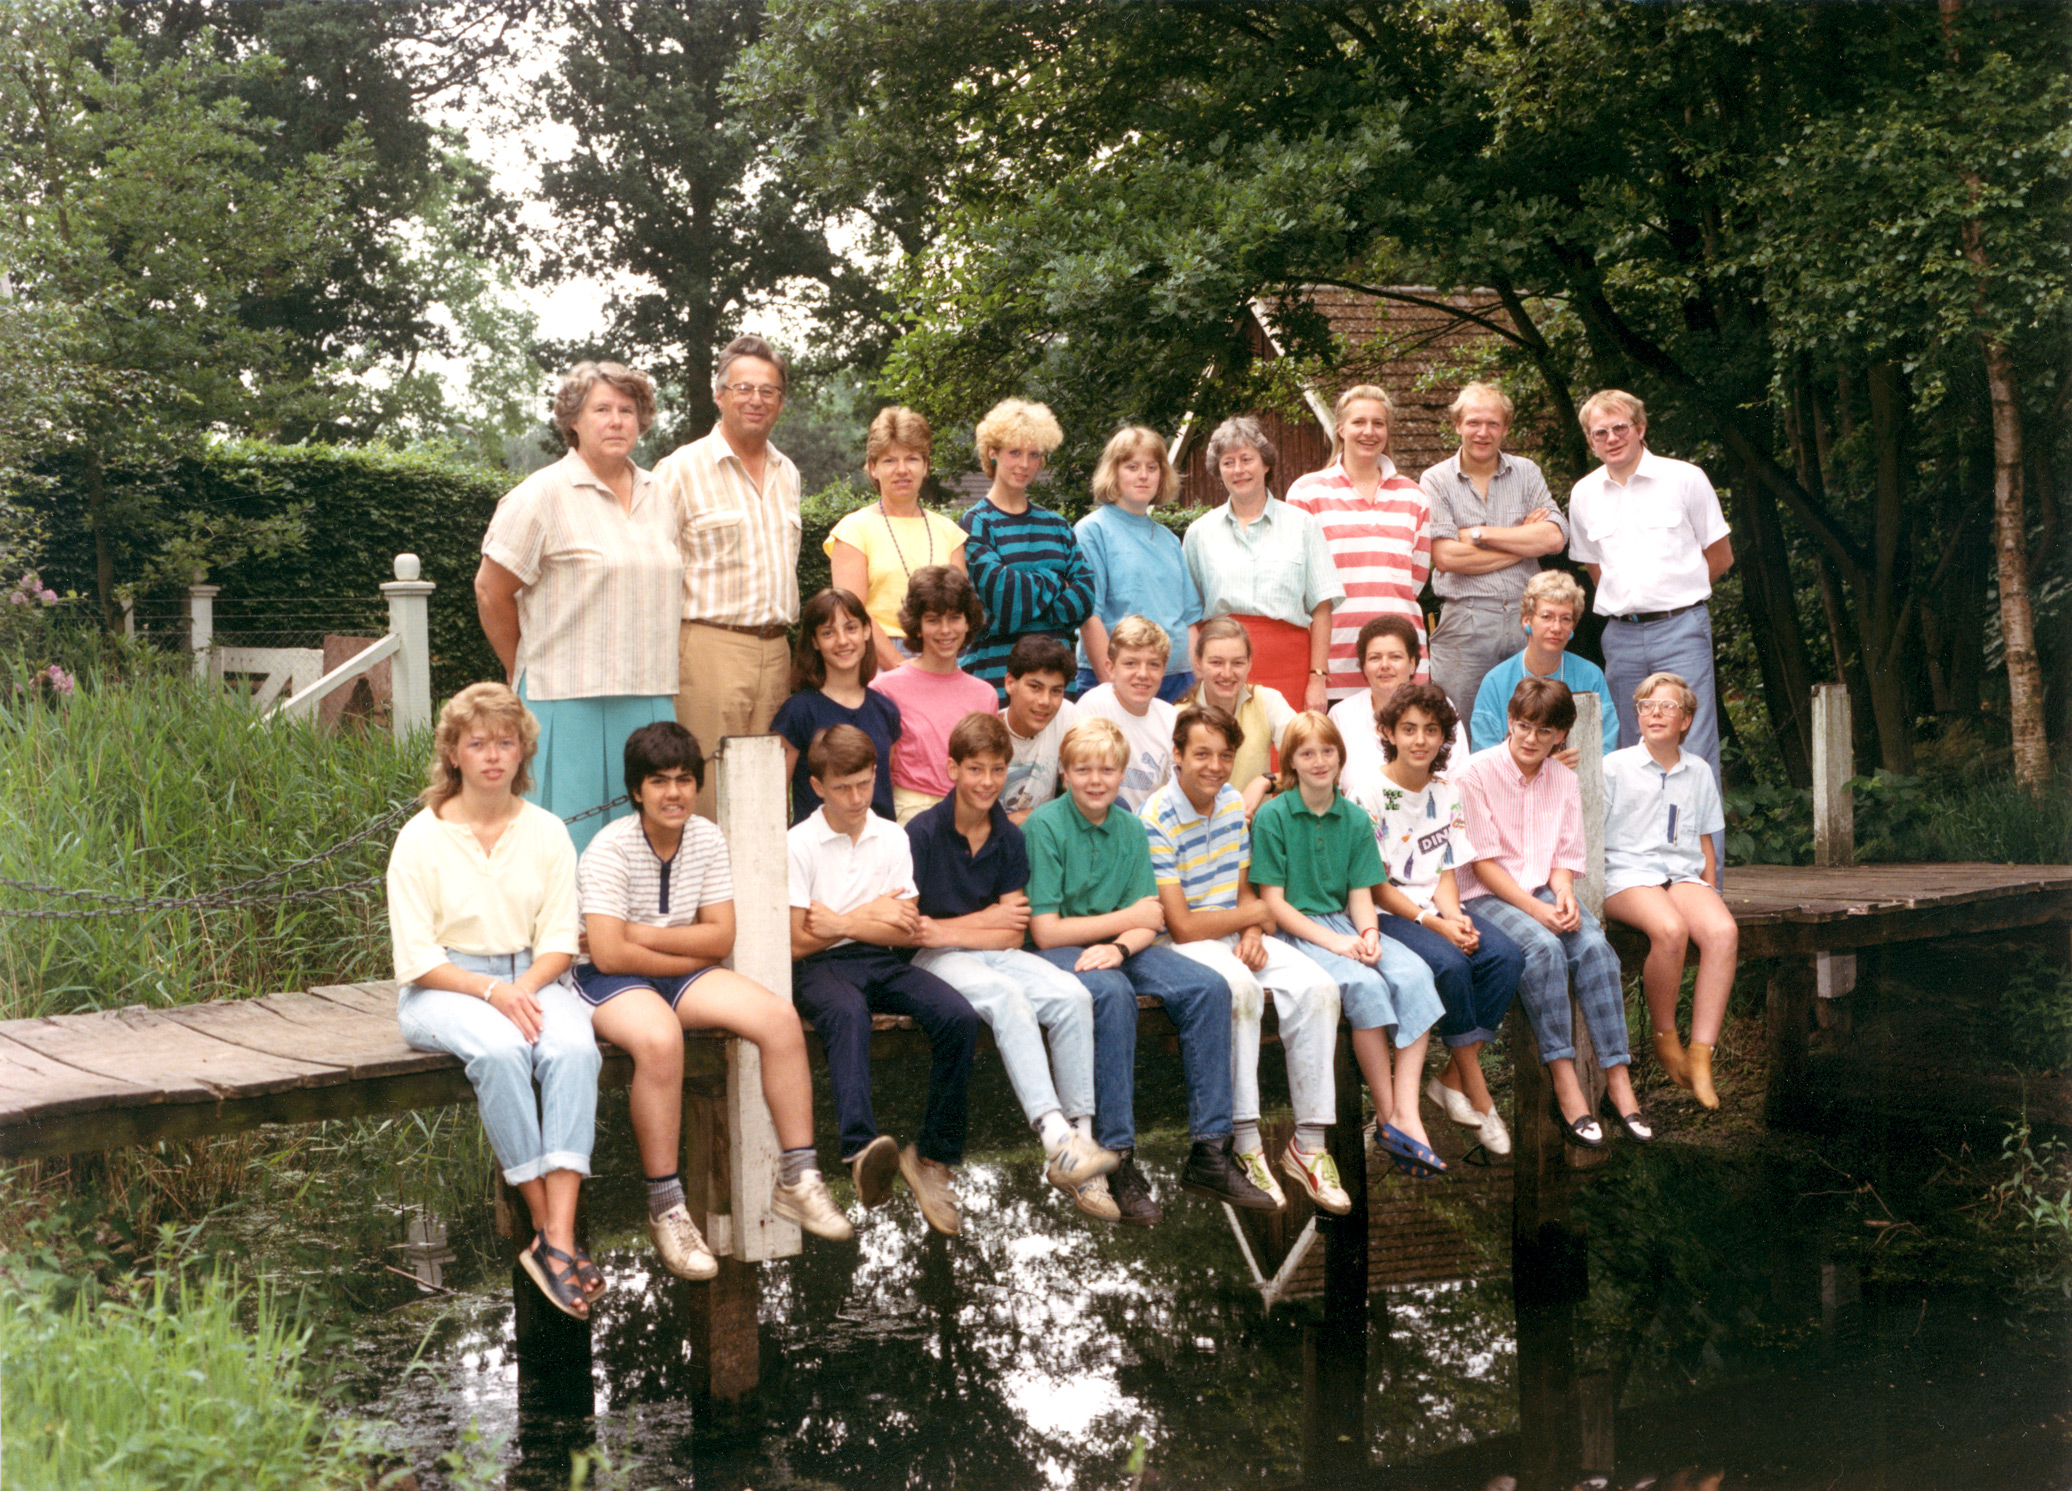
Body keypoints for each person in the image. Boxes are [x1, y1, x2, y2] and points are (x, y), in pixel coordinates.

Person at [575, 722, 852, 1281]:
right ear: (636, 791)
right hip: (606, 980)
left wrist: (644, 935)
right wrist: (669, 948)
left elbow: (720, 938)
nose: (673, 793)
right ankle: (666, 1207)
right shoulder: (609, 848)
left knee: (777, 1017)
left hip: (676, 969)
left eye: (684, 780)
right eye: (658, 782)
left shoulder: (705, 837)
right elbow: (605, 954)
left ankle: (797, 1176)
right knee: (659, 1038)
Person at [386, 683, 598, 1318]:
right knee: (503, 1052)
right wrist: (492, 992)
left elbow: (561, 940)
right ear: (453, 752)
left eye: (506, 742)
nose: (493, 756)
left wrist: (522, 988)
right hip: (444, 989)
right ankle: (550, 1231)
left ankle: (554, 1241)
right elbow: (418, 958)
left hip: (534, 980)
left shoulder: (547, 832)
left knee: (573, 1049)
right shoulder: (419, 839)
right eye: (477, 743)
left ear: (522, 750)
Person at [1025, 717, 1275, 1225]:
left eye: (1107, 770)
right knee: (1112, 994)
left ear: (1122, 774)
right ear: (1065, 774)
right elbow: (1048, 931)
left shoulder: (1131, 827)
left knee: (1207, 988)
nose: (1096, 780)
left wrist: (1121, 943)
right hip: (1061, 950)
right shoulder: (1044, 826)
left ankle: (1210, 1150)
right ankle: (1119, 1158)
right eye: (1083, 769)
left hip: (1121, 946)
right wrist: (1123, 932)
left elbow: (1151, 917)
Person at [905, 713, 1121, 1219]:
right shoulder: (920, 834)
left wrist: (955, 924)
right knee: (1008, 999)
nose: (986, 782)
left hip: (994, 950)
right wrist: (972, 924)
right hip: (934, 959)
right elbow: (916, 931)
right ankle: (1054, 1136)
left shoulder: (1008, 835)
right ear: (952, 769)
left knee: (1073, 995)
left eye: (998, 770)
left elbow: (1012, 930)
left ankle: (1081, 1153)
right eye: (975, 769)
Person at [1143, 704, 1350, 1214]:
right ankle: (1246, 1146)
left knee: (1320, 988)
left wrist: (1255, 927)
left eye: (1224, 756)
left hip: (1232, 930)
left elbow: (1241, 894)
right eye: (1201, 754)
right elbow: (1182, 924)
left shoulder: (1234, 804)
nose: (1213, 766)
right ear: (1177, 755)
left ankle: (1309, 1145)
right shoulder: (1155, 815)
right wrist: (1253, 915)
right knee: (1240, 991)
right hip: (1182, 946)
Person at [475, 361, 678, 852]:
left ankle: (631, 932)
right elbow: (490, 589)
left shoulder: (660, 495)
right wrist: (520, 665)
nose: (616, 421)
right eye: (602, 409)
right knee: (566, 845)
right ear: (573, 421)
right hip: (565, 697)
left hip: (648, 692)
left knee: (641, 845)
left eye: (627, 410)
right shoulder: (539, 495)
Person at [787, 725, 981, 1237]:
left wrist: (844, 922)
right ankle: (859, 1150)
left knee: (959, 1017)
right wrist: (870, 913)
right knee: (847, 1014)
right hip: (817, 969)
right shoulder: (797, 844)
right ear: (817, 785)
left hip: (881, 959)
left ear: (875, 776)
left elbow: (905, 924)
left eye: (863, 784)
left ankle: (933, 1155)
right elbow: (795, 942)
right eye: (841, 788)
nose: (854, 799)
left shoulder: (893, 836)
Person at [1250, 711, 1448, 1180]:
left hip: (1345, 922)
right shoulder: (1273, 817)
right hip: (1299, 930)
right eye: (1307, 753)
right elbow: (1274, 905)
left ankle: (1407, 1114)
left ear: (1341, 756)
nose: (1319, 761)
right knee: (1363, 986)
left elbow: (1361, 895)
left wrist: (1370, 935)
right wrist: (1339, 945)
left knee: (1414, 974)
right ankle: (1386, 1114)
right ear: (1292, 763)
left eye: (1327, 751)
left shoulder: (1355, 817)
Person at [1454, 678, 1648, 1146]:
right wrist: (1538, 913)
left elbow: (1564, 855)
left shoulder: (1563, 779)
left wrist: (1562, 894)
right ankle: (1565, 1078)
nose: (1531, 738)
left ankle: (1618, 1078)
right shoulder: (1473, 773)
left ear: (1561, 735)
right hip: (1484, 892)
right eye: (1523, 725)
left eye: (1544, 731)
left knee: (1596, 948)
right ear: (1509, 722)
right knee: (1543, 949)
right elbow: (1481, 861)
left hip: (1542, 885)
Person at [1347, 684, 1525, 1157]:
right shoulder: (1367, 791)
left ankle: (1449, 1081)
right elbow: (1374, 884)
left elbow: (1445, 867)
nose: (1420, 740)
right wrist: (1435, 923)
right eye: (1408, 729)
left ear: (1445, 736)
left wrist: (1455, 917)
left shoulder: (1447, 790)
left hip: (1434, 907)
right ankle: (1478, 1092)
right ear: (1389, 732)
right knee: (1448, 965)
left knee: (1506, 956)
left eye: (1431, 730)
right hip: (1388, 911)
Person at [1567, 389, 1732, 879]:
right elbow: (1597, 570)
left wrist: (1673, 597)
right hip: (1620, 636)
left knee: (1693, 754)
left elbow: (1719, 557)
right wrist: (1632, 607)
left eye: (1620, 428)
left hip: (1681, 628)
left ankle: (1705, 885)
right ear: (1591, 441)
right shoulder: (1583, 494)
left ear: (1640, 427)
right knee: (1628, 759)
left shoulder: (1684, 479)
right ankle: (1640, 879)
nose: (1612, 438)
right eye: (1601, 432)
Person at [655, 335, 802, 820]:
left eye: (769, 390)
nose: (756, 399)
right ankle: (698, 898)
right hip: (709, 653)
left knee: (765, 803)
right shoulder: (679, 470)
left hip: (778, 653)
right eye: (743, 387)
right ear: (720, 395)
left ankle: (755, 900)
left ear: (781, 401)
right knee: (706, 799)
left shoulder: (788, 473)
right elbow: (654, 573)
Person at [1602, 673, 1737, 1110]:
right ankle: (1666, 1037)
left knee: (1722, 932)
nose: (1656, 713)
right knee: (1670, 930)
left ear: (1687, 720)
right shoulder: (1614, 767)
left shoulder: (1697, 771)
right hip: (1624, 875)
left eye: (1668, 706)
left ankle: (1702, 1054)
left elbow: (1703, 842)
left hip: (1680, 875)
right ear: (1637, 715)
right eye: (1647, 705)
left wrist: (1710, 891)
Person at [1422, 383, 1568, 720]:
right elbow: (1446, 557)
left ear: (1505, 428)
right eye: (1473, 422)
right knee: (1460, 729)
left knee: (1534, 723)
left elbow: (1554, 538)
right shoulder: (1435, 480)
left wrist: (1479, 535)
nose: (1482, 432)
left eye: (1493, 424)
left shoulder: (1527, 472)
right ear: (1457, 425)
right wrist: (1522, 543)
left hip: (1527, 620)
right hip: (1464, 623)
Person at [1182, 416, 1344, 712]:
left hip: (1289, 669)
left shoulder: (1303, 525)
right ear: (1219, 471)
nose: (1238, 470)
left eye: (1246, 459)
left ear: (1266, 464)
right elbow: (1189, 613)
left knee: (1285, 755)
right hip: (1222, 671)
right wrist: (1199, 672)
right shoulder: (1199, 533)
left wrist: (1317, 679)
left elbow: (1321, 610)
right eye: (1228, 462)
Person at [1286, 385, 1431, 702]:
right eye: (1358, 422)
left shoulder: (1414, 496)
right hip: (1332, 663)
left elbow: (1414, 581)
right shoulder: (1307, 493)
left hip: (1401, 661)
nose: (1369, 431)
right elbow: (1297, 586)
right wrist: (1316, 673)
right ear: (1340, 428)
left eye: (1378, 423)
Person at [959, 398, 1096, 701]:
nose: (1024, 464)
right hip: (995, 685)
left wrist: (1026, 595)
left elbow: (1084, 600)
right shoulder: (975, 524)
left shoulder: (1058, 526)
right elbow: (1006, 600)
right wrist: (1054, 582)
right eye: (1014, 452)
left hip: (1058, 689)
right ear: (992, 453)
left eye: (1033, 454)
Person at [826, 406, 968, 672]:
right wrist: (902, 668)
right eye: (889, 460)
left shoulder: (950, 533)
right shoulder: (853, 530)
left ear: (926, 466)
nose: (902, 470)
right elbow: (853, 614)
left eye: (912, 459)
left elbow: (957, 612)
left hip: (941, 658)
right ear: (873, 469)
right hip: (875, 662)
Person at [1075, 426, 1202, 702]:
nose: (1143, 475)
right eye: (1132, 466)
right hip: (1121, 679)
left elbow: (1189, 620)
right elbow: (1088, 617)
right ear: (1114, 472)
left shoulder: (1168, 539)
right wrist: (1112, 688)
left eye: (1152, 467)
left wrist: (1197, 684)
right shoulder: (1092, 531)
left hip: (1176, 677)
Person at [869, 565, 999, 824]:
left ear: (968, 622)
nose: (945, 630)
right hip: (909, 814)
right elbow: (880, 772)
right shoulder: (885, 688)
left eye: (954, 618)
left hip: (969, 812)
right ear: (917, 626)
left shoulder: (984, 695)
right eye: (933, 620)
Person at [772, 587, 903, 825]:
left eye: (851, 628)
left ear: (866, 630)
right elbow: (776, 796)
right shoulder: (797, 712)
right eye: (828, 632)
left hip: (876, 847)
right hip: (818, 851)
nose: (842, 641)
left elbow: (885, 785)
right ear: (814, 641)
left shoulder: (886, 709)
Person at [1468, 570, 1619, 763]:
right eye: (1547, 616)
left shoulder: (1590, 676)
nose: (1556, 628)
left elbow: (1605, 746)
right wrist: (1545, 770)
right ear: (1526, 620)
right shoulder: (1496, 681)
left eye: (1565, 619)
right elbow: (1483, 754)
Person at [1332, 615, 1469, 807]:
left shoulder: (1439, 706)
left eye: (1395, 657)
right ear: (1363, 666)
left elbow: (1458, 776)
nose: (1385, 665)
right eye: (1375, 658)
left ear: (1412, 664)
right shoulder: (1341, 714)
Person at [1183, 615, 1296, 818]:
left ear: (1250, 663)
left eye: (1237, 663)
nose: (1227, 673)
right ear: (1198, 663)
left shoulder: (1267, 701)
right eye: (1216, 662)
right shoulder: (1178, 716)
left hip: (1255, 836)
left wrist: (1265, 781)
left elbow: (1312, 763)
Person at [1074, 615, 1178, 813]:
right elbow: (1074, 783)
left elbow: (1175, 792)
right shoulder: (1093, 708)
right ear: (1111, 669)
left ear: (1164, 670)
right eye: (1130, 663)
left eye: (1153, 664)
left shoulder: (1170, 718)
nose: (1142, 674)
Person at [999, 634, 1081, 825]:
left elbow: (1078, 790)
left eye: (1056, 691)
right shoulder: (989, 729)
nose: (1045, 701)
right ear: (1010, 683)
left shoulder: (1066, 714)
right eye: (1035, 687)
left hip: (1045, 832)